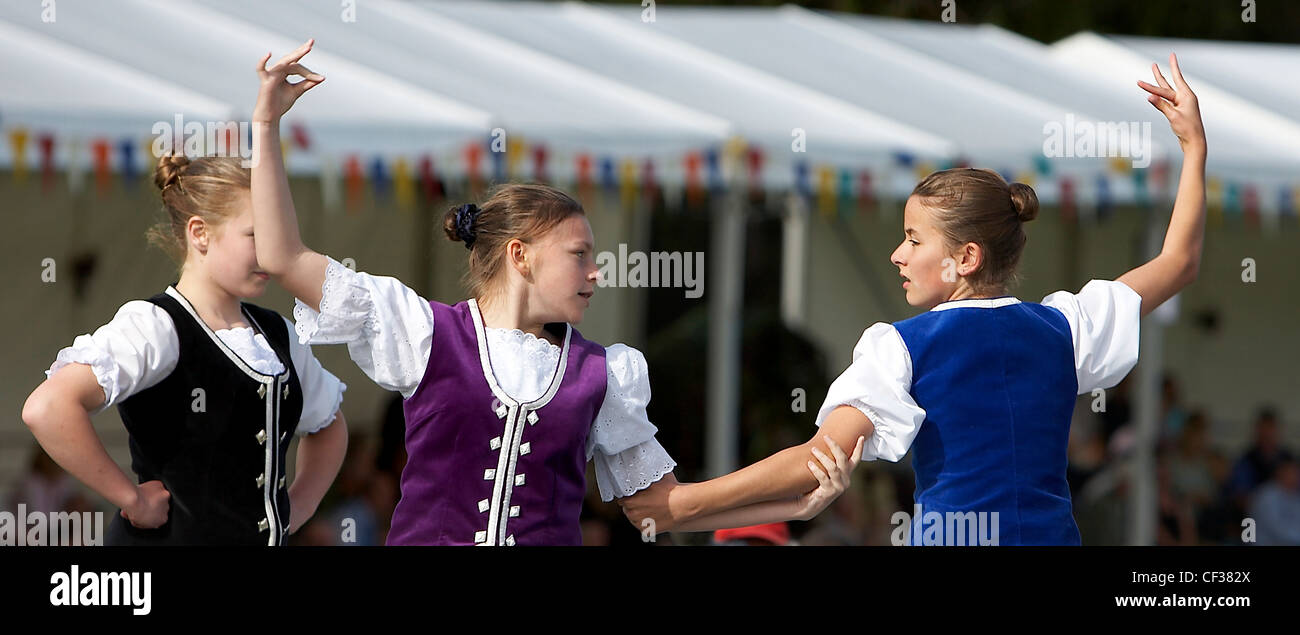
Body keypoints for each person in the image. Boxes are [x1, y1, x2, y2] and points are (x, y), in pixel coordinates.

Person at [247, 40, 862, 545]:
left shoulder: (604, 374)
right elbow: (282, 256)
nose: (597, 272)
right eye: (579, 255)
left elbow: (659, 510)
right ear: (520, 256)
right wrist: (267, 123)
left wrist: (796, 500)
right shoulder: (424, 333)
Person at [620, 53, 1207, 546]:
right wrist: (1193, 147)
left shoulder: (900, 348)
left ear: (966, 258)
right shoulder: (1064, 326)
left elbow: (817, 463)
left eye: (913, 239)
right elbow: (1178, 263)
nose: (898, 255)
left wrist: (684, 502)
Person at [21, 151, 349, 546]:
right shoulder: (157, 326)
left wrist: (299, 505)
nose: (270, 251)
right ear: (200, 233)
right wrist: (131, 498)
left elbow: (328, 424)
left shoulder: (278, 334)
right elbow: (48, 407)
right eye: (254, 235)